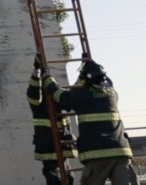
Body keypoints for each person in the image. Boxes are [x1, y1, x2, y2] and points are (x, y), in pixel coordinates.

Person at [42, 57, 138, 185]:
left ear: (85, 79)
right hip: (121, 153)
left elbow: (60, 95)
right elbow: (107, 82)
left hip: (97, 155)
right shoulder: (112, 94)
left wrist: (47, 77)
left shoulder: (81, 96)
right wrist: (92, 64)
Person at [28, 55, 76, 185]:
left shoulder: (57, 99)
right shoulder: (38, 102)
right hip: (48, 147)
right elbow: (33, 91)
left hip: (62, 146)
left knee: (69, 179)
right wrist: (36, 71)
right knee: (53, 179)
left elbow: (71, 100)